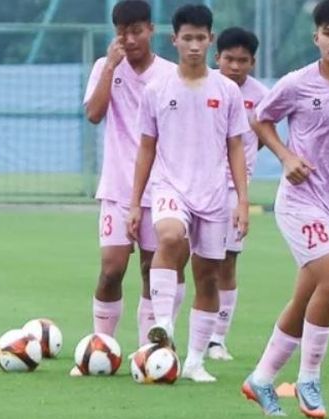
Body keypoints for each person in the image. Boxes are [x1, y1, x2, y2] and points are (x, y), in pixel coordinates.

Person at [126, 4, 249, 383]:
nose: (194, 45)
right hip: (170, 186)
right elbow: (146, 146)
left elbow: (236, 147)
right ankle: (162, 326)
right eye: (187, 38)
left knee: (208, 276)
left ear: (210, 40)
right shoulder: (157, 89)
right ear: (174, 39)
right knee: (169, 236)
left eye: (201, 38)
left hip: (213, 193)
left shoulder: (226, 90)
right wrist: (135, 202)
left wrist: (242, 201)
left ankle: (195, 361)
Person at [242, 0, 329, 419]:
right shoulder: (298, 83)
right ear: (316, 37)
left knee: (308, 296)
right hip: (302, 200)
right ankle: (308, 378)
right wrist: (286, 157)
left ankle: (261, 378)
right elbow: (261, 118)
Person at [82, 0, 185, 349]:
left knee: (150, 270)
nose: (130, 39)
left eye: (137, 31)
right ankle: (101, 346)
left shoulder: (171, 74)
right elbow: (94, 114)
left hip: (160, 188)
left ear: (151, 30)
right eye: (123, 32)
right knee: (111, 268)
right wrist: (111, 66)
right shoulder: (105, 66)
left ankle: (149, 350)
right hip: (117, 186)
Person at [207, 27, 269, 361]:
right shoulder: (204, 84)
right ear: (217, 58)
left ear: (253, 62)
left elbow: (259, 136)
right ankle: (167, 331)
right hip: (199, 184)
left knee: (227, 263)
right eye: (229, 59)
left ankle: (217, 339)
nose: (235, 66)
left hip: (233, 189)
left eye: (242, 60)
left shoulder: (262, 95)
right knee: (187, 259)